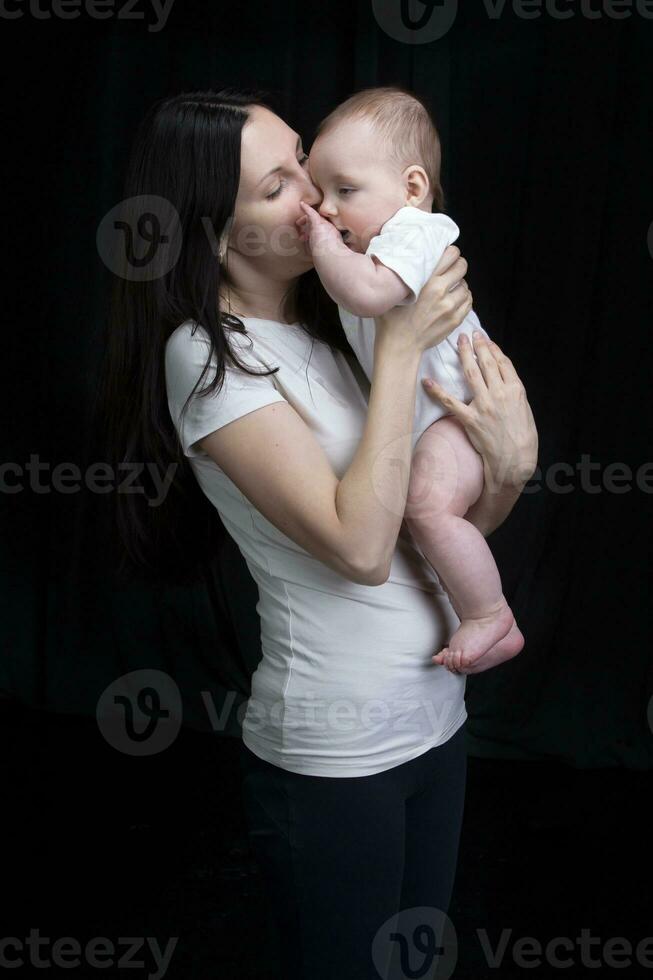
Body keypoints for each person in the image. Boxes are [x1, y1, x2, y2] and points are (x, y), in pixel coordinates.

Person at [104, 87, 538, 980]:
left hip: (434, 716)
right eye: (277, 187)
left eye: (302, 158)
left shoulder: (338, 326)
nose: (313, 195)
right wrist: (407, 346)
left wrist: (510, 467)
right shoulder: (209, 354)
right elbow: (361, 548)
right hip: (337, 750)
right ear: (215, 234)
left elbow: (441, 524)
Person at [297, 85, 525, 675]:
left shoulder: (414, 231)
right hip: (436, 420)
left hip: (462, 413)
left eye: (345, 191)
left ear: (413, 188)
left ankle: (489, 612)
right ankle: (479, 613)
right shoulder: (373, 248)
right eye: (319, 194)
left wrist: (322, 242)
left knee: (424, 507)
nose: (325, 209)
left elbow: (369, 293)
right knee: (422, 511)